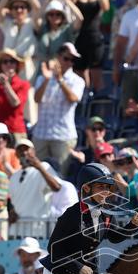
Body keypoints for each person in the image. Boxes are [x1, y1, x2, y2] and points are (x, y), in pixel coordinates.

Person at [32, 43, 83, 175]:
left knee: (60, 176)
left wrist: (60, 80)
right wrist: (46, 80)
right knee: (37, 175)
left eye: (72, 60)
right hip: (41, 133)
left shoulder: (77, 81)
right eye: (66, 59)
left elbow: (73, 98)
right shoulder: (43, 77)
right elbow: (37, 99)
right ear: (58, 57)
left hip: (63, 136)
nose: (69, 63)